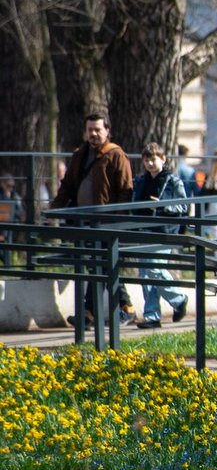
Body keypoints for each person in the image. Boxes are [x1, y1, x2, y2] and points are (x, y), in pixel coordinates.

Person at [51, 113, 137, 327]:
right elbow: (68, 184)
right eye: (90, 129)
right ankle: (109, 310)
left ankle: (106, 310)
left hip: (107, 223)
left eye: (98, 129)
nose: (93, 134)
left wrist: (119, 223)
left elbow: (126, 191)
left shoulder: (116, 155)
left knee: (100, 265)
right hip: (84, 221)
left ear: (107, 131)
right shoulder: (80, 155)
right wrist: (55, 209)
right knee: (96, 265)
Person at [131, 143, 189, 328]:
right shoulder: (140, 181)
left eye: (154, 158)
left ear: (163, 159)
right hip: (144, 230)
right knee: (145, 274)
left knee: (154, 268)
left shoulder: (173, 181)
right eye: (147, 159)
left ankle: (179, 300)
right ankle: (152, 315)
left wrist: (162, 206)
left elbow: (183, 206)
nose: (150, 163)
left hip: (164, 231)